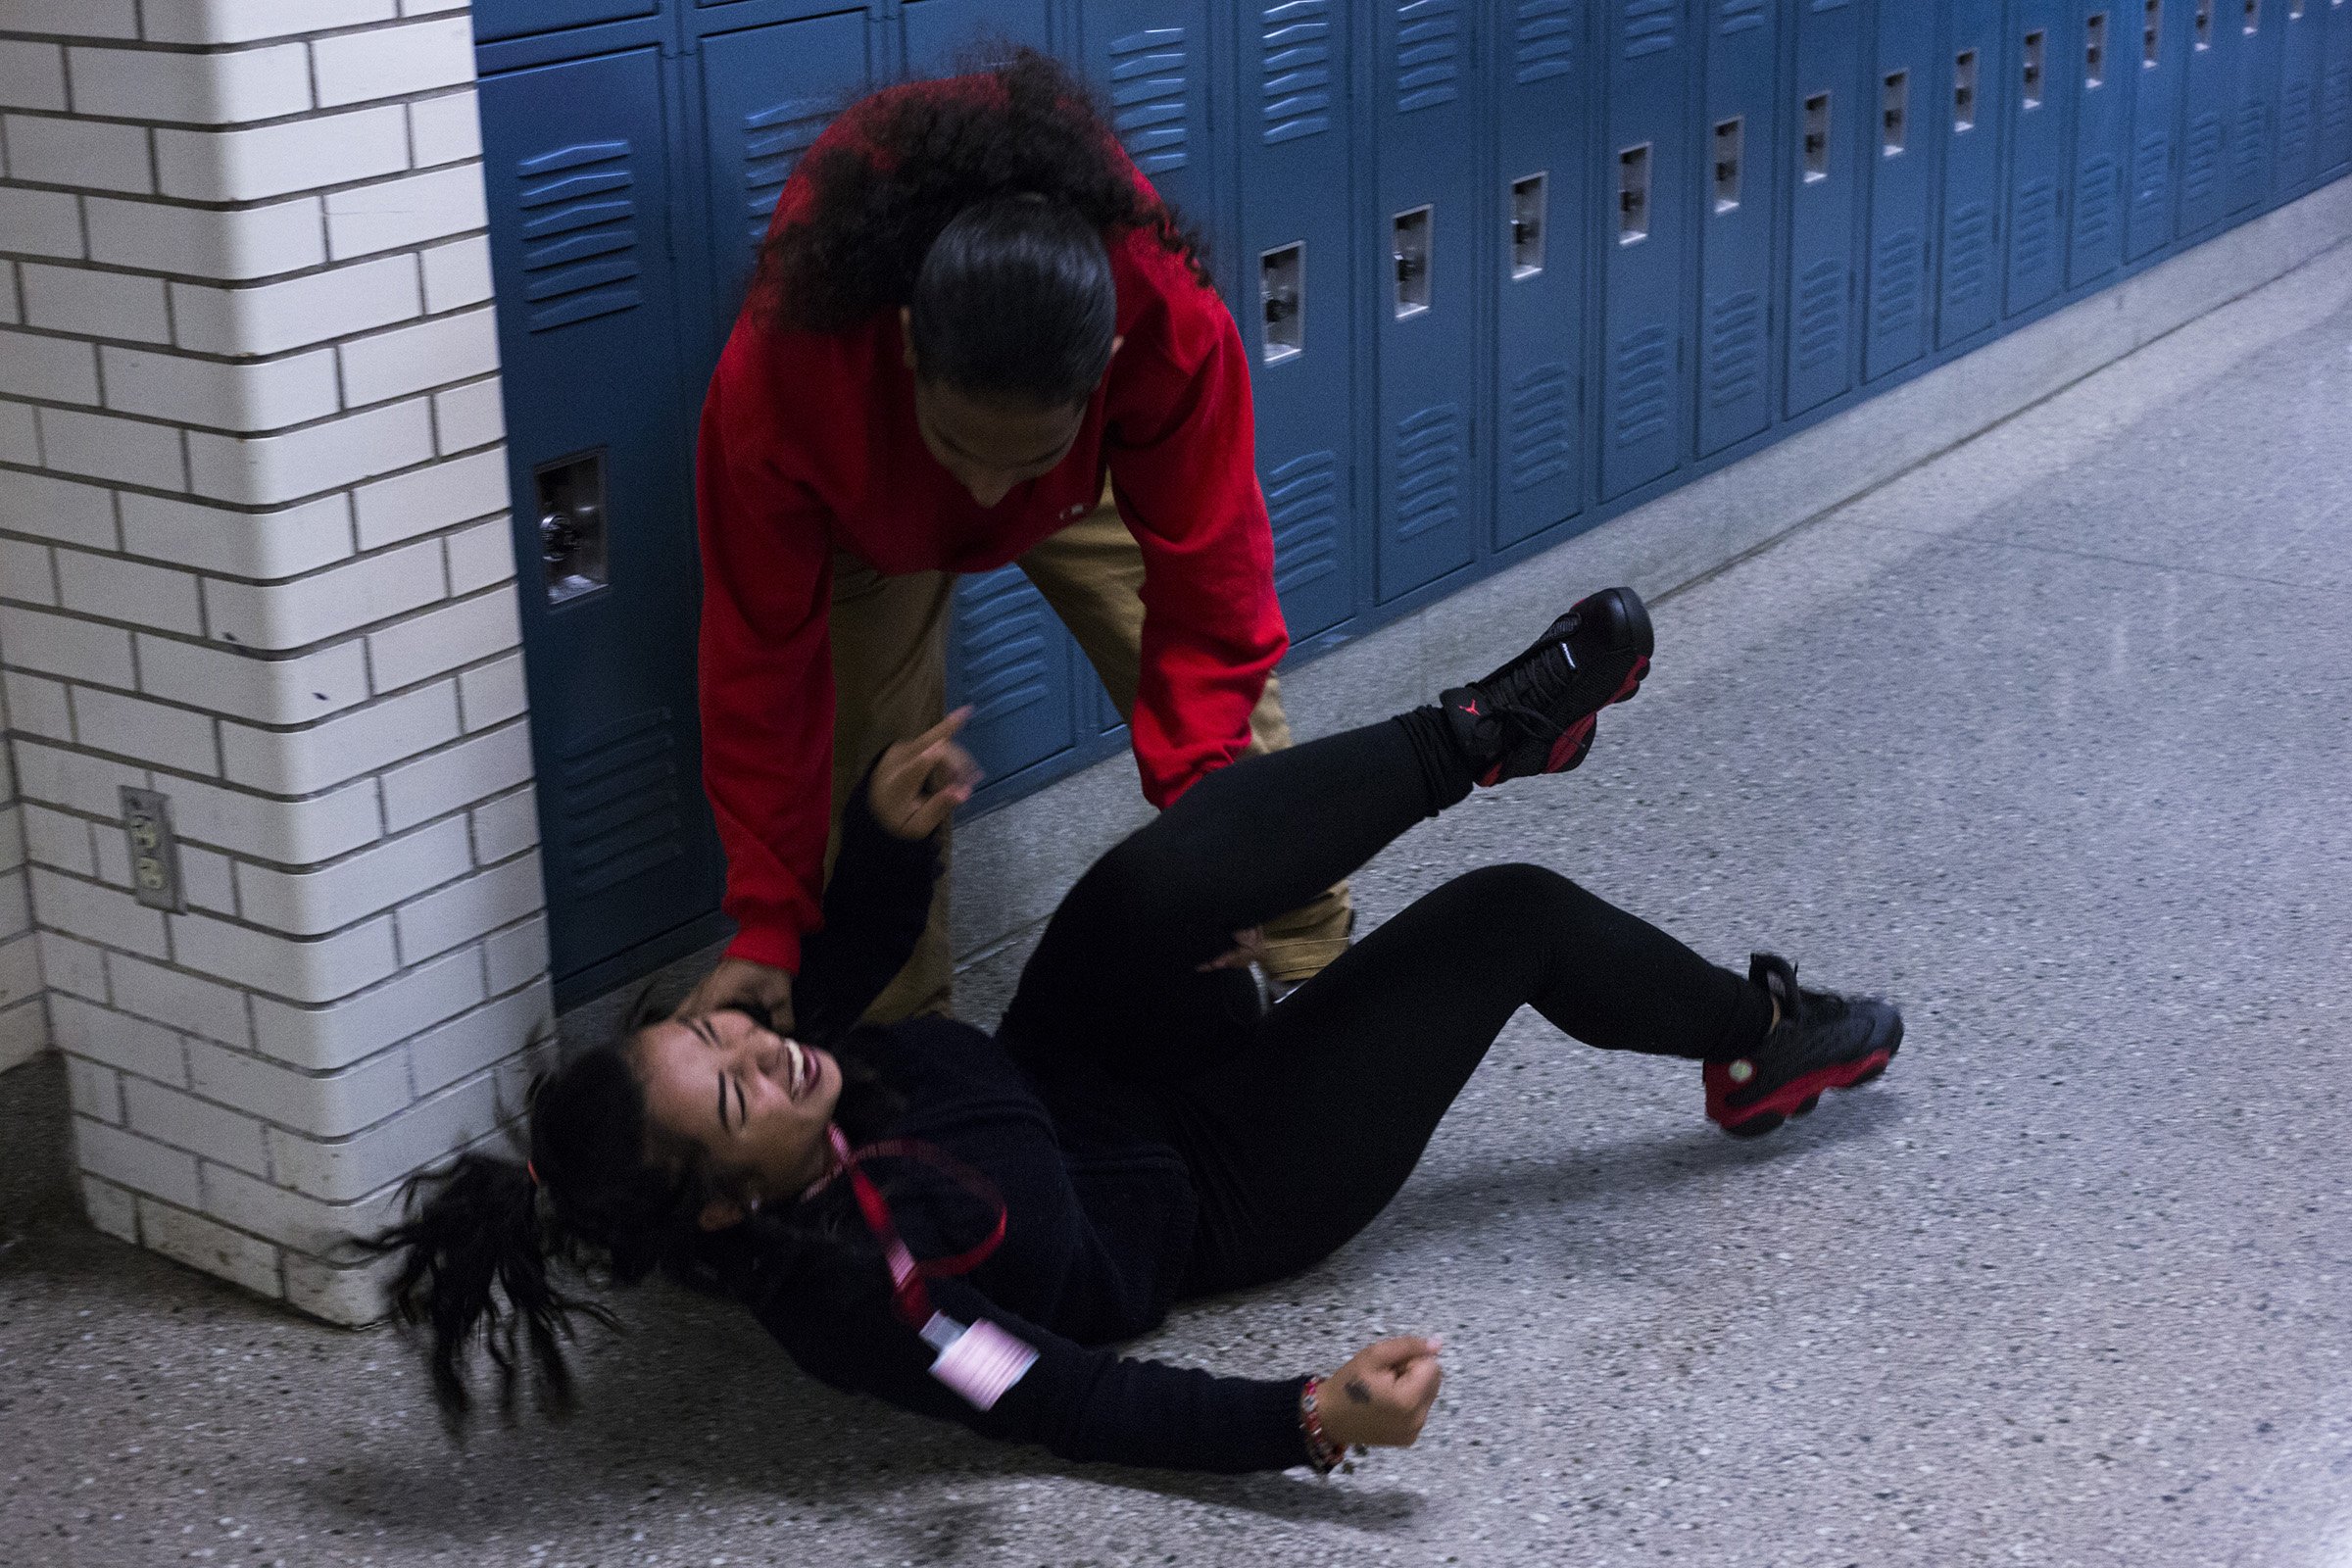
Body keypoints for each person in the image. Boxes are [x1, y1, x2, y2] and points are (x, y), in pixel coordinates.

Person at [372, 591, 1904, 1473]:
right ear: (729, 1199)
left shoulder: (790, 1079)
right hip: (1219, 1182)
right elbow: (1058, 1397)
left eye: (713, 1036)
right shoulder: (868, 1301)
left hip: (1088, 1061)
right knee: (1509, 916)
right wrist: (1309, 1420)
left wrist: (885, 837)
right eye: (729, 1091)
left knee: (1157, 875)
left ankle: (1485, 733)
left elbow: (830, 975)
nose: (757, 1050)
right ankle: (1758, 1040)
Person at [687, 48, 1349, 1032]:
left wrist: (1214, 850)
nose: (987, 491)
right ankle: (908, 1051)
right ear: (908, 344)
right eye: (964, 448)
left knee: (1229, 726)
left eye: (1018, 461)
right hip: (870, 499)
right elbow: (760, 659)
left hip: (1085, 479)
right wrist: (769, 922)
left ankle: (1310, 972)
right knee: (871, 775)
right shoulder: (785, 376)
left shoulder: (1168, 323)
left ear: (1109, 367)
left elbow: (1213, 592)